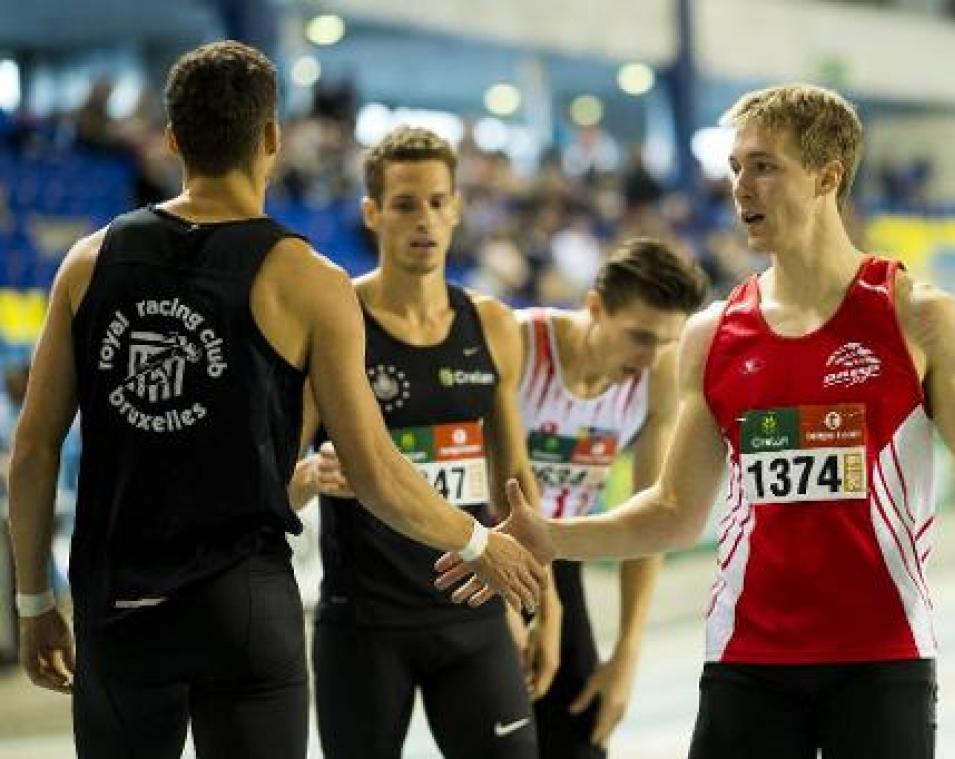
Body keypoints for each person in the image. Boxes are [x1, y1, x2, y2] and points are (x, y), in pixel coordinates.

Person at [438, 83, 955, 758]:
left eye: (764, 165)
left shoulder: (916, 318)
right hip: (747, 662)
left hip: (882, 660)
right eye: (735, 167)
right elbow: (676, 509)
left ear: (828, 177)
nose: (740, 186)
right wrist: (550, 537)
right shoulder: (713, 335)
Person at [7, 41, 542, 759]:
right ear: (271, 139)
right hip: (245, 606)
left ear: (172, 140)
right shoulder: (312, 281)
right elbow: (376, 471)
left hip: (121, 604)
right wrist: (480, 541)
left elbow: (34, 449)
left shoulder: (89, 261)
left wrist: (34, 601)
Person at [287, 126, 557, 759]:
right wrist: (308, 478)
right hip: (364, 626)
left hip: (474, 614)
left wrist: (547, 605)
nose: (424, 220)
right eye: (406, 204)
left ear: (458, 208)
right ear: (372, 212)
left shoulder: (491, 322)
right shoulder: (335, 320)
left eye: (438, 202)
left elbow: (514, 475)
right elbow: (279, 473)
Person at [517, 237, 707, 757]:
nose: (650, 359)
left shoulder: (656, 376)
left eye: (665, 342)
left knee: (583, 739)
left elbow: (655, 514)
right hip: (480, 561)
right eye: (640, 338)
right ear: (595, 307)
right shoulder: (520, 343)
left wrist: (626, 654)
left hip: (559, 563)